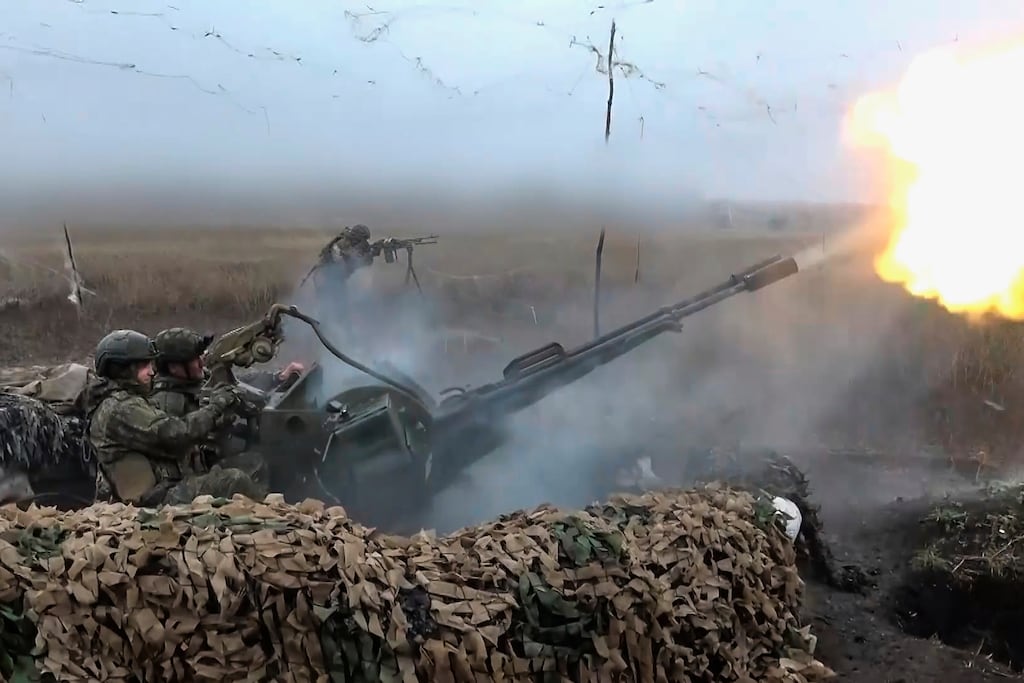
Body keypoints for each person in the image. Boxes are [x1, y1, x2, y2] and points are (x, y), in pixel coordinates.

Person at [87, 329, 265, 506]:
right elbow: (177, 434)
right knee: (233, 480)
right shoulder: (120, 408)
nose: (151, 372)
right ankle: (269, 523)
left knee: (252, 462)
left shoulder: (131, 400)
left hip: (169, 485)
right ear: (122, 370)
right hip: (156, 499)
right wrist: (216, 407)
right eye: (144, 366)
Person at [150, 326, 301, 488]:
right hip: (195, 477)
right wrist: (217, 408)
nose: (202, 362)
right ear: (174, 367)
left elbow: (237, 380)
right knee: (258, 463)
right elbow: (183, 436)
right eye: (194, 359)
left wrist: (278, 378)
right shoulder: (165, 402)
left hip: (220, 455)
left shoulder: (194, 378)